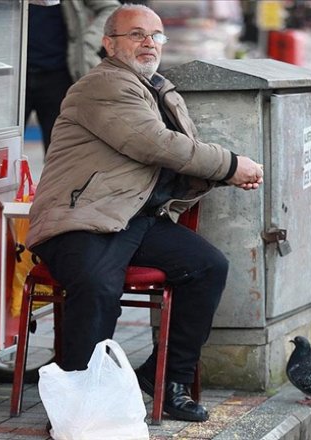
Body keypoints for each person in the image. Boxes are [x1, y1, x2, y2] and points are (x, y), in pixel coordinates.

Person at [25, 4, 264, 422]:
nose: (149, 42)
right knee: (98, 286)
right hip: (81, 218)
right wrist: (230, 165)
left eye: (155, 35)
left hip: (131, 217)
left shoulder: (158, 87)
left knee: (207, 266)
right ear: (109, 43)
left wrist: (222, 173)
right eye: (136, 34)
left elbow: (173, 151)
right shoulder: (101, 85)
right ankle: (80, 402)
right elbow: (156, 144)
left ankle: (164, 381)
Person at [25, 0, 119, 152]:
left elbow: (111, 8)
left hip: (59, 75)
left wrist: (88, 42)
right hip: (12, 76)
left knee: (59, 151)